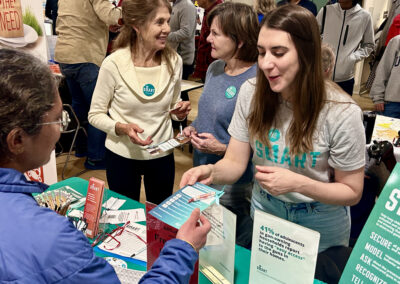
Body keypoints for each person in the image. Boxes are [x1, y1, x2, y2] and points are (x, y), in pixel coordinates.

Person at [0, 48, 210, 283]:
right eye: (60, 119)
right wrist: (184, 248)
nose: (61, 130)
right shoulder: (53, 239)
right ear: (17, 140)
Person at [180, 5, 366, 253]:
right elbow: (235, 162)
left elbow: (352, 191)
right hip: (266, 214)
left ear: (307, 54)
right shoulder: (251, 92)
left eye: (278, 53)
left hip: (319, 222)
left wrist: (298, 184)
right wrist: (210, 171)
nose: (266, 64)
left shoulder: (341, 112)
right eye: (261, 52)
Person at [88, 0, 191, 205]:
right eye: (159, 22)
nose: (167, 29)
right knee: (125, 217)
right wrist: (121, 127)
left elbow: (172, 104)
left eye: (168, 21)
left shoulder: (175, 62)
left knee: (160, 219)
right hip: (122, 155)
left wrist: (178, 111)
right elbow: (95, 114)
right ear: (137, 25)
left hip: (162, 153)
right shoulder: (113, 64)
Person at [183, 2, 258, 248]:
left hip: (235, 185)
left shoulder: (258, 80)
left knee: (230, 248)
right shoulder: (215, 68)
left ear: (239, 40)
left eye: (215, 33)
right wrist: (192, 127)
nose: (207, 38)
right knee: (207, 244)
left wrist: (223, 149)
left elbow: (262, 147)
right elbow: (210, 113)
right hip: (202, 173)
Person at [55, 0, 122, 170]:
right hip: (85, 56)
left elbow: (81, 18)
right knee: (98, 110)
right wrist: (127, 8)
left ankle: (82, 149)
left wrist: (106, 25)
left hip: (65, 55)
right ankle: (96, 158)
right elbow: (111, 15)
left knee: (80, 106)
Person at [317, 0, 374, 96]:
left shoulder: (365, 16)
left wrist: (353, 58)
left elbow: (369, 45)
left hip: (345, 79)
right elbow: (312, 36)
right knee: (318, 109)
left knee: (343, 110)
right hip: (322, 76)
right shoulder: (326, 11)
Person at [168, 0, 197, 128]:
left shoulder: (187, 6)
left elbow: (186, 32)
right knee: (175, 91)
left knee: (181, 91)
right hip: (172, 55)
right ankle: (175, 123)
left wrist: (163, 35)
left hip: (183, 57)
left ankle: (182, 126)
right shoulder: (174, 5)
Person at [369, 35, 400, 118]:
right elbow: (382, 71)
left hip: (393, 104)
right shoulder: (397, 41)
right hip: (393, 103)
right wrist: (377, 97)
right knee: (388, 131)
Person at [192, 0, 223, 82]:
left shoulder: (218, 12)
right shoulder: (209, 11)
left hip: (212, 66)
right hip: (207, 66)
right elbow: (205, 38)